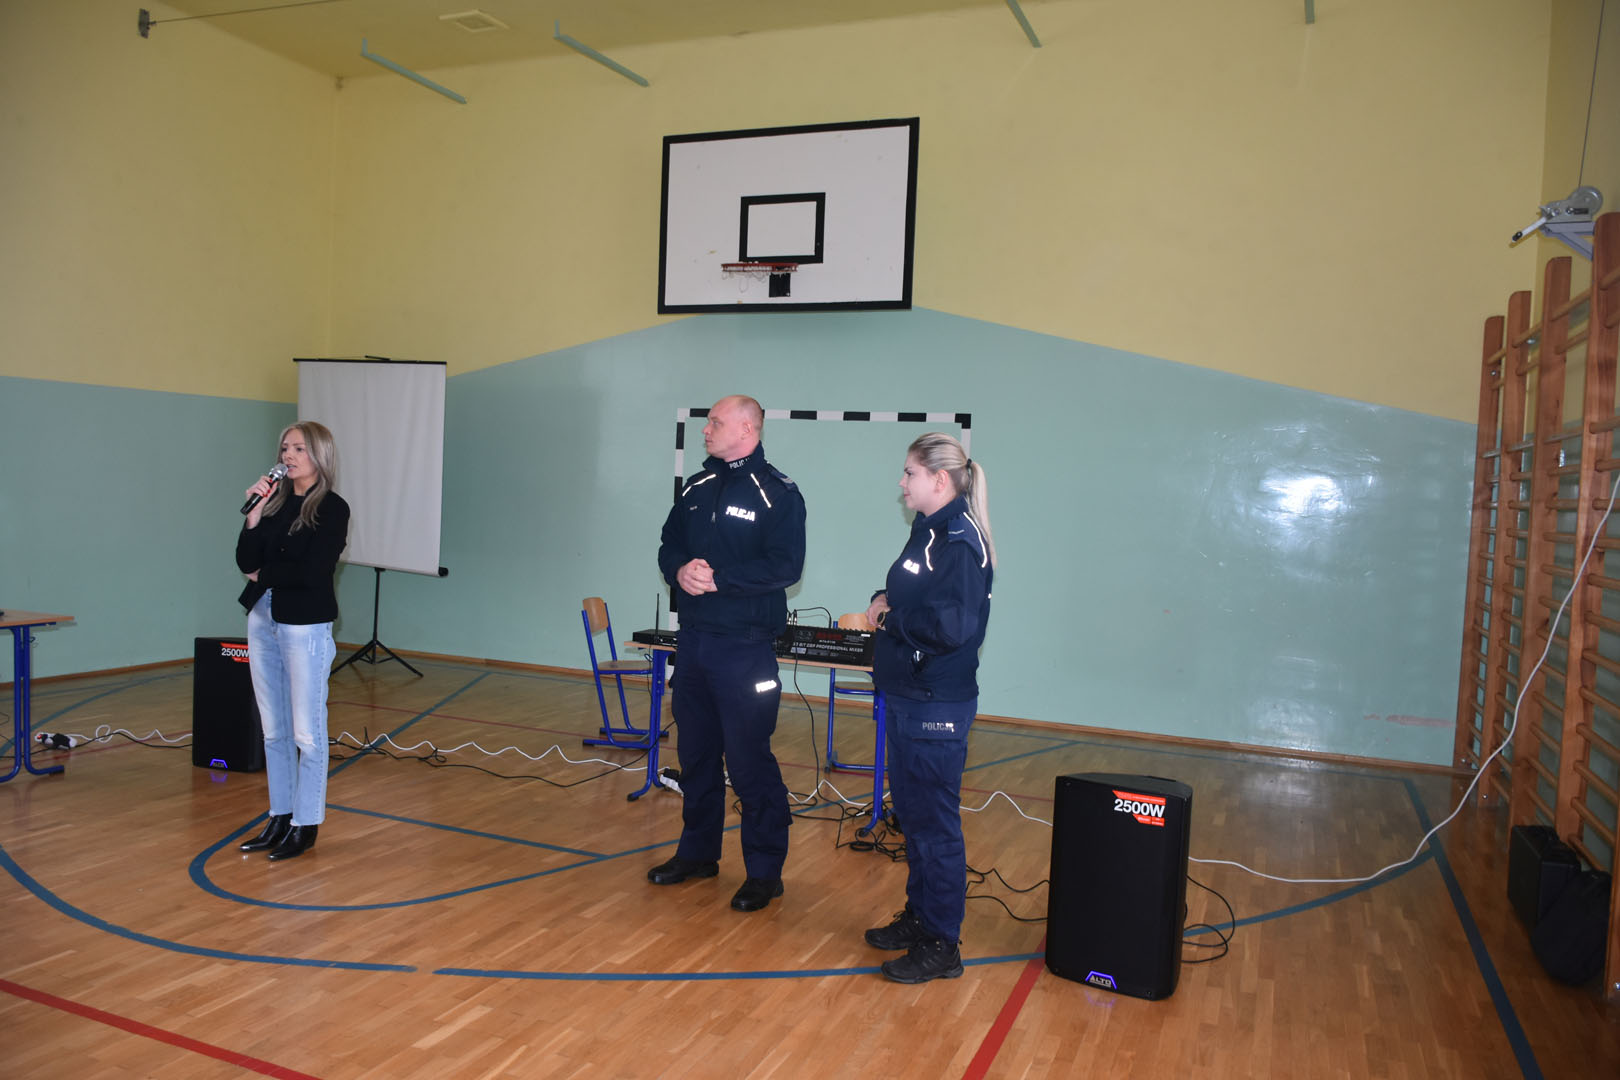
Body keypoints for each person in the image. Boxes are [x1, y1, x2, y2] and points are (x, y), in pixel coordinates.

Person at [649, 395, 807, 912]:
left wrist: (721, 580)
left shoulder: (778, 493)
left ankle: (764, 872)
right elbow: (668, 543)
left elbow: (786, 566)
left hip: (746, 649)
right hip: (695, 644)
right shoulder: (696, 486)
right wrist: (679, 570)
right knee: (695, 757)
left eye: (715, 422)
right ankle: (698, 854)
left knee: (748, 761)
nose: (706, 430)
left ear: (746, 429)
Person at [862, 432, 996, 983]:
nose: (901, 482)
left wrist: (891, 619)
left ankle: (943, 943)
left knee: (935, 827)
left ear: (940, 480)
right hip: (908, 695)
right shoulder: (929, 530)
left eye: (909, 473)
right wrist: (883, 599)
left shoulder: (959, 541)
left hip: (934, 702)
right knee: (914, 818)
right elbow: (916, 595)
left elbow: (952, 627)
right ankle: (920, 918)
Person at [234, 421, 350, 862]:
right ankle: (279, 816)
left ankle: (306, 823)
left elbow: (313, 572)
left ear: (319, 455)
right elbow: (245, 560)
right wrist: (253, 516)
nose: (288, 455)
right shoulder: (275, 503)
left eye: (299, 448)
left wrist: (264, 574)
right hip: (263, 616)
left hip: (305, 624)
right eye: (285, 448)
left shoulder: (332, 508)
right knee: (274, 729)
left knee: (307, 732)